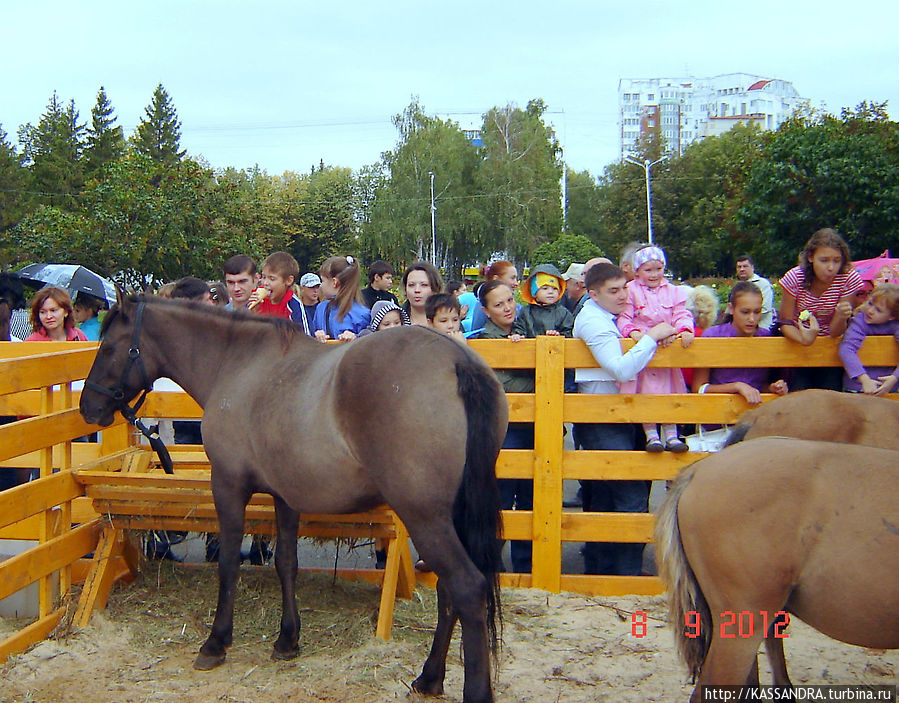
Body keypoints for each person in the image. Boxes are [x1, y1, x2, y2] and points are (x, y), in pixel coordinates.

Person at [574, 262, 675, 576]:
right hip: (602, 416)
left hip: (623, 412)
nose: (622, 296)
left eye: (623, 288)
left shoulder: (612, 316)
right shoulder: (593, 320)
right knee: (628, 491)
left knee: (608, 494)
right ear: (593, 293)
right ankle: (625, 575)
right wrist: (654, 336)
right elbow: (620, 369)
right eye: (613, 291)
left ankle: (605, 571)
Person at [476, 280, 534, 574]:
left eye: (510, 300)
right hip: (505, 429)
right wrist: (536, 380)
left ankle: (527, 566)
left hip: (536, 427)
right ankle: (492, 566)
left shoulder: (530, 328)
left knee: (531, 498)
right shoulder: (486, 340)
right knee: (500, 496)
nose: (507, 308)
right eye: (498, 305)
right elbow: (501, 384)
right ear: (486, 311)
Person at [616, 245, 694, 452]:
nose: (654, 274)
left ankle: (671, 435)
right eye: (648, 270)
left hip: (667, 351)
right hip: (645, 351)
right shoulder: (631, 290)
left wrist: (684, 330)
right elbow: (624, 318)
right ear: (638, 270)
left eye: (658, 269)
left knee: (669, 393)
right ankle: (651, 434)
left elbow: (681, 314)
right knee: (646, 394)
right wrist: (633, 333)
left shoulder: (674, 291)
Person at [778, 228, 865, 391]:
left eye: (837, 261)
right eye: (824, 260)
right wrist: (804, 339)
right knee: (800, 394)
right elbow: (785, 321)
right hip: (797, 347)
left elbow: (835, 331)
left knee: (830, 393)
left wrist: (840, 316)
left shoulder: (848, 278)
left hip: (831, 348)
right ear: (810, 258)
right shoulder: (795, 278)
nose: (831, 267)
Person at [691, 282, 789, 405]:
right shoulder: (712, 336)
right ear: (731, 309)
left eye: (757, 312)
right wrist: (737, 387)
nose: (752, 319)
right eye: (745, 312)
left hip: (755, 414)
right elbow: (699, 388)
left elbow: (759, 386)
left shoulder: (765, 337)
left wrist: (773, 388)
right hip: (717, 413)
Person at [839, 283, 899, 395]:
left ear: (891, 317)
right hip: (857, 387)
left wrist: (895, 378)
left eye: (878, 310)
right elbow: (846, 349)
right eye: (870, 303)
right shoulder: (860, 320)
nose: (870, 310)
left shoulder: (896, 324)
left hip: (889, 387)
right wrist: (864, 379)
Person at [313, 255, 371, 341]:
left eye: (323, 281)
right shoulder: (321, 308)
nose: (321, 286)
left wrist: (355, 338)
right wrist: (316, 335)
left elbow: (369, 345)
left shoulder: (362, 314)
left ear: (334, 282)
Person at [511, 264, 574, 339]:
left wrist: (558, 335)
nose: (550, 292)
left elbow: (569, 332)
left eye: (554, 288)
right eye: (545, 288)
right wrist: (517, 335)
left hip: (555, 349)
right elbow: (519, 327)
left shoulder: (563, 313)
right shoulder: (526, 312)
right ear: (534, 293)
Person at [250, 252, 304, 323]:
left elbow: (303, 333)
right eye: (264, 277)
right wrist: (251, 313)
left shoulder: (293, 305)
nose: (265, 283)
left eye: (272, 279)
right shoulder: (257, 301)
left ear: (288, 280)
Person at [468, 260, 519, 332]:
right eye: (512, 278)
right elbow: (476, 335)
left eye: (510, 300)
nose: (516, 283)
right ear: (496, 279)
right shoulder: (482, 304)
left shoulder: (520, 307)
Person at [735, 255, 775, 330]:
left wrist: (747, 319)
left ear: (752, 268)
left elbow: (765, 308)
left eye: (745, 266)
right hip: (741, 331)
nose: (742, 269)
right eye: (739, 267)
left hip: (761, 329)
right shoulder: (737, 287)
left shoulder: (763, 284)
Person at [401, 261, 443, 326]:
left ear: (435, 288)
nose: (417, 290)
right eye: (411, 285)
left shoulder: (449, 318)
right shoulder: (395, 320)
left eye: (424, 285)